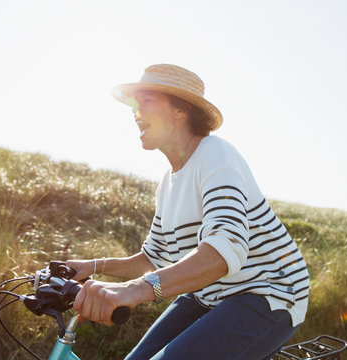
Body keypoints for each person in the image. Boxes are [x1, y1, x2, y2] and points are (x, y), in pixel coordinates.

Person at [66, 64, 310, 360]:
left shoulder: (214, 153)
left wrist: (132, 290)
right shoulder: (168, 183)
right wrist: (90, 266)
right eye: (134, 103)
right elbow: (151, 259)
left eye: (147, 101)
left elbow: (223, 251)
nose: (135, 111)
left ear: (180, 110)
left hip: (268, 294)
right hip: (209, 294)